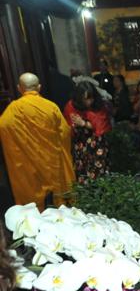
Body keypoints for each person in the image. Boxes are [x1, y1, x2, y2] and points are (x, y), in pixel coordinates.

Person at [0, 73, 75, 209]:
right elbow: (64, 133)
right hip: (52, 164)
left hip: (29, 168)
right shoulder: (50, 107)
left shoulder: (12, 111)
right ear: (39, 87)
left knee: (35, 207)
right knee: (59, 203)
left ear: (19, 88)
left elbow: (4, 127)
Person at [63, 81, 112, 183]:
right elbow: (68, 125)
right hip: (80, 144)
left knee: (98, 172)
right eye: (86, 99)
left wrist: (83, 123)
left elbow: (100, 125)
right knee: (82, 171)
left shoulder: (98, 105)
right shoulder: (71, 106)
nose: (90, 101)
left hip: (97, 144)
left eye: (91, 98)